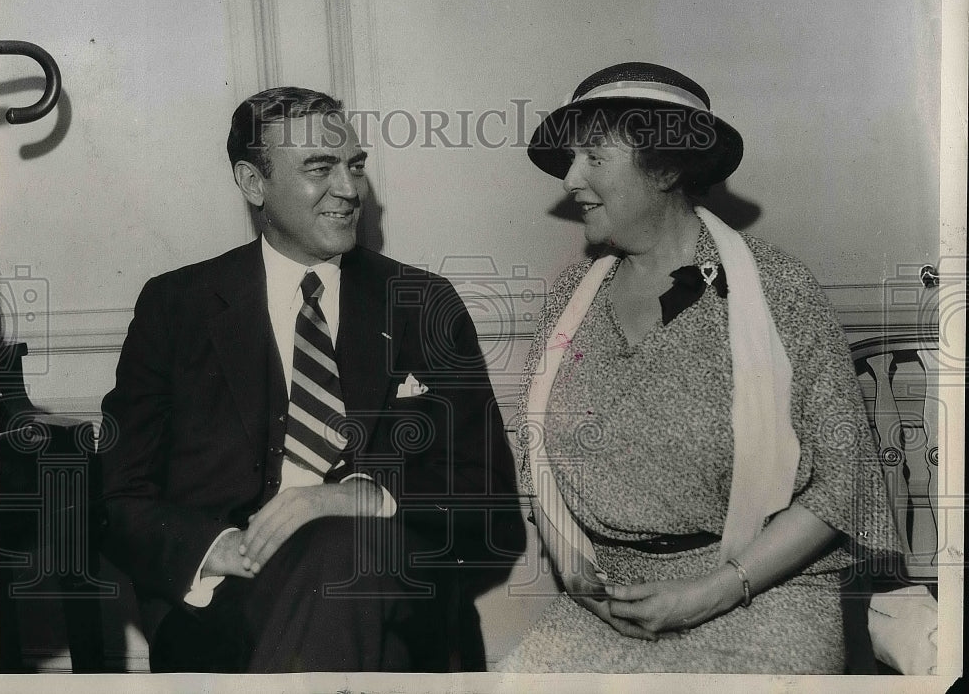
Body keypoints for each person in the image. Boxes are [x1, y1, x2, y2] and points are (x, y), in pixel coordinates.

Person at [98, 87, 524, 673]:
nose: (349, 190)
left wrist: (350, 496)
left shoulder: (421, 302)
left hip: (380, 585)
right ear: (253, 184)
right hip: (224, 611)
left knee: (345, 552)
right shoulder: (177, 306)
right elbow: (119, 495)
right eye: (319, 169)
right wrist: (211, 548)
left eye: (355, 165)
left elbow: (485, 492)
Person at [499, 62, 901, 673]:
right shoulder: (570, 301)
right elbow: (536, 458)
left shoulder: (777, 289)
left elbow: (844, 482)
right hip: (610, 604)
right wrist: (581, 580)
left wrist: (710, 591)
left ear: (665, 167)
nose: (571, 178)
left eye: (594, 157)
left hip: (760, 593)